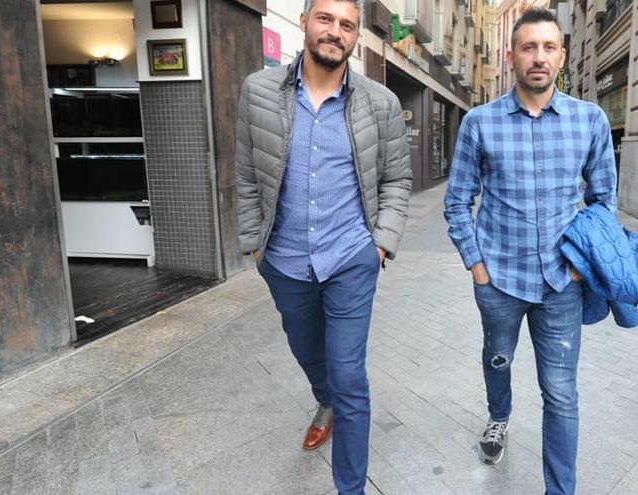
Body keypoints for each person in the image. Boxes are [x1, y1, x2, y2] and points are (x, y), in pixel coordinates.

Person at [234, 0, 412, 492]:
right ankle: (323, 398)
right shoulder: (259, 92)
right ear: (305, 21)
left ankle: (349, 487)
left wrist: (380, 244)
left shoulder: (381, 103)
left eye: (347, 25)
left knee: (350, 377)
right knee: (307, 350)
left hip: (352, 257)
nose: (336, 32)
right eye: (326, 20)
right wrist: (256, 246)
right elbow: (247, 173)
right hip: (284, 260)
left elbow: (398, 179)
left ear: (356, 37)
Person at [443, 7, 617, 495]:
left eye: (547, 47)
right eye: (528, 47)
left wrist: (582, 269)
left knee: (561, 395)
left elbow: (604, 202)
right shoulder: (480, 122)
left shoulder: (590, 121)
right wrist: (477, 268)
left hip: (563, 285)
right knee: (497, 359)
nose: (538, 57)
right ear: (511, 55)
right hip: (498, 280)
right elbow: (457, 201)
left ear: (561, 55)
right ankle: (499, 416)